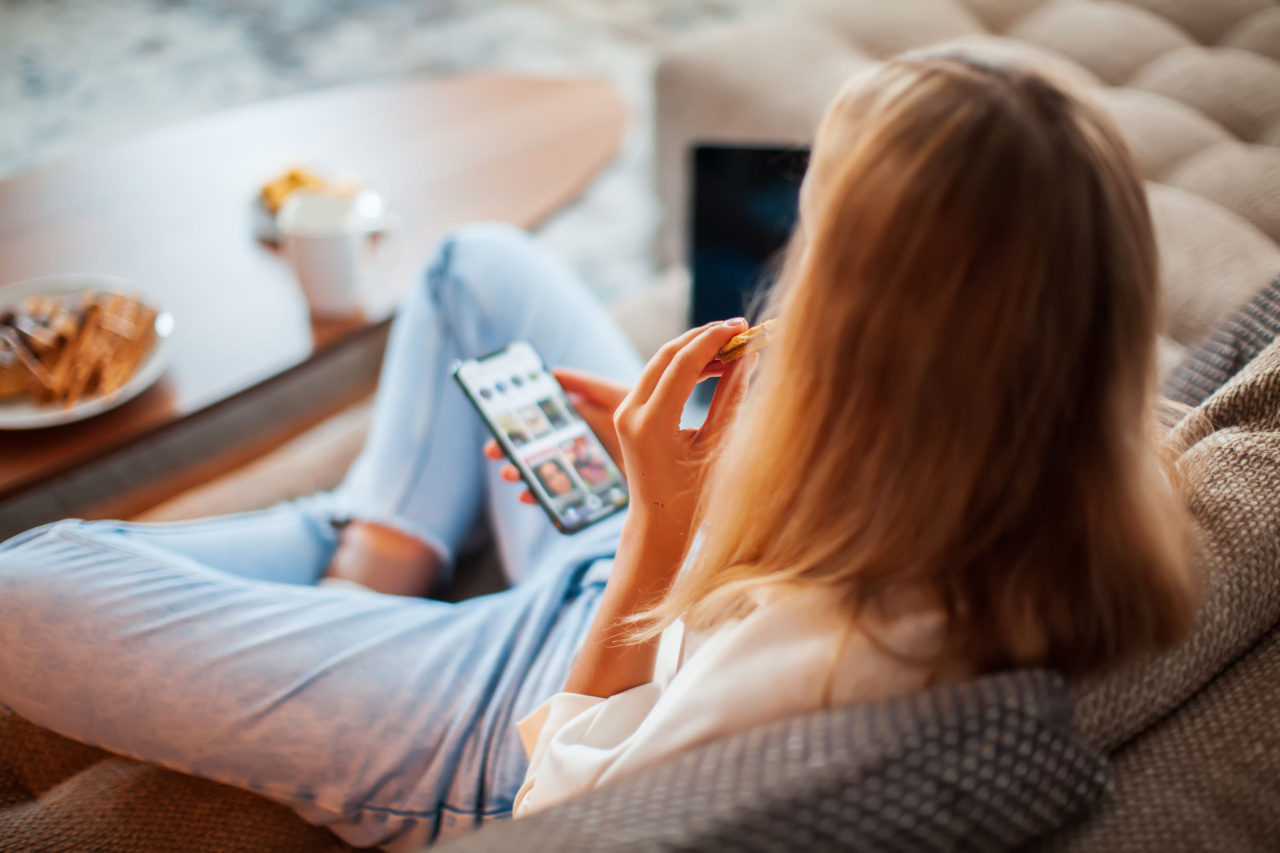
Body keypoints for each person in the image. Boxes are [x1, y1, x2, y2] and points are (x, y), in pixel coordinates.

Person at [0, 52, 1199, 850]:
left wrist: (659, 531)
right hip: (666, 567)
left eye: (813, 239)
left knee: (25, 587)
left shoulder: (830, 660)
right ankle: (379, 551)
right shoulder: (1070, 475)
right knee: (476, 264)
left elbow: (560, 813)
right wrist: (713, 471)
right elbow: (850, 524)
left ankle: (369, 569)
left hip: (504, 707)